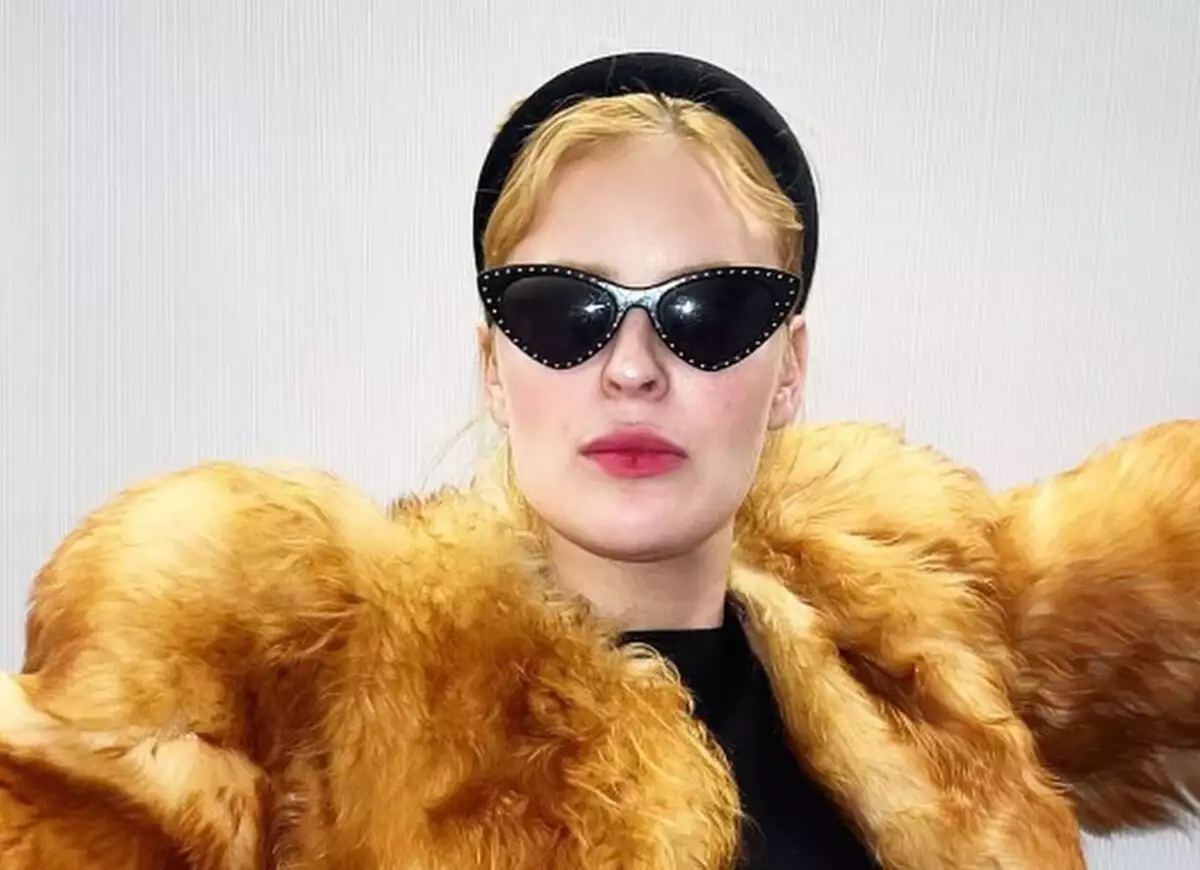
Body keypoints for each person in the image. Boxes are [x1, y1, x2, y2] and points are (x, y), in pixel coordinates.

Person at [0, 51, 1197, 870]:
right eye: (562, 308)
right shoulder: (296, 689)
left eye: (711, 310)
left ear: (787, 370)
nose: (632, 367)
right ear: (492, 366)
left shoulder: (920, 626)